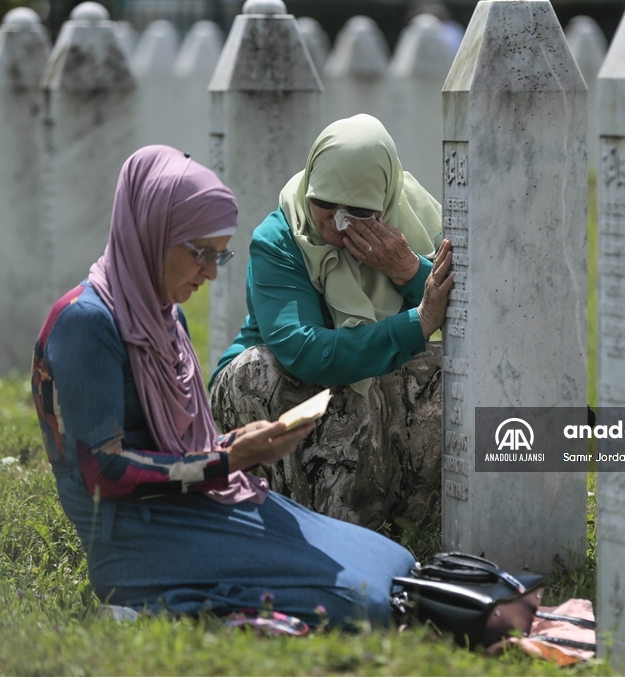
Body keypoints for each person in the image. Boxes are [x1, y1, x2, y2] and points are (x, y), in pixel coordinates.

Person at [31, 145, 415, 627]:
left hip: (199, 500)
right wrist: (225, 460)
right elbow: (101, 473)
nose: (211, 273)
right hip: (135, 538)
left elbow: (174, 444)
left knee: (391, 561)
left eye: (220, 255)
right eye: (200, 254)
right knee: (364, 603)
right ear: (151, 235)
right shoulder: (87, 323)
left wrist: (237, 447)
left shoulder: (162, 317)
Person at [208, 115, 454, 531]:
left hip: (371, 395)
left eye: (358, 209)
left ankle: (404, 512)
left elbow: (471, 322)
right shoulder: (280, 238)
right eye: (324, 203)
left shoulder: (415, 223)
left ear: (387, 197)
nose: (338, 222)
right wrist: (415, 324)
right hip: (290, 397)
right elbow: (303, 350)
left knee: (447, 372)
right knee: (256, 371)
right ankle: (296, 519)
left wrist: (409, 271)